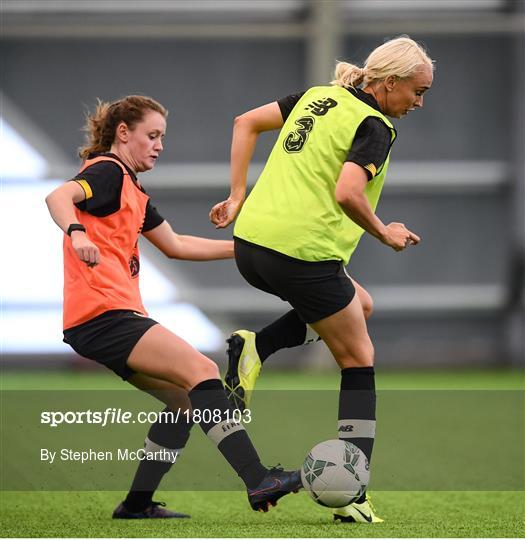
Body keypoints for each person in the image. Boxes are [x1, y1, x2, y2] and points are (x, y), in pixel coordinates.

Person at [210, 36, 434, 524]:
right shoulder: (375, 125)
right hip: (301, 256)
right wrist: (384, 233)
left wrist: (236, 195)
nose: (418, 102)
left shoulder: (316, 96)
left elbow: (244, 122)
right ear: (389, 83)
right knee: (358, 357)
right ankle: (353, 497)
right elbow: (349, 192)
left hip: (250, 247)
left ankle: (257, 346)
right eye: (417, 91)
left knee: (361, 304)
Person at [45, 95, 302, 519]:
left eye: (162, 137)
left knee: (185, 401)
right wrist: (77, 233)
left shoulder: (133, 191)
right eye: (152, 135)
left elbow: (177, 245)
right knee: (202, 370)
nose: (159, 145)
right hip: (104, 314)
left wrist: (248, 248)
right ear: (123, 133)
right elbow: (58, 196)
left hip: (98, 320)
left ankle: (136, 504)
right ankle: (259, 480)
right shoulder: (107, 172)